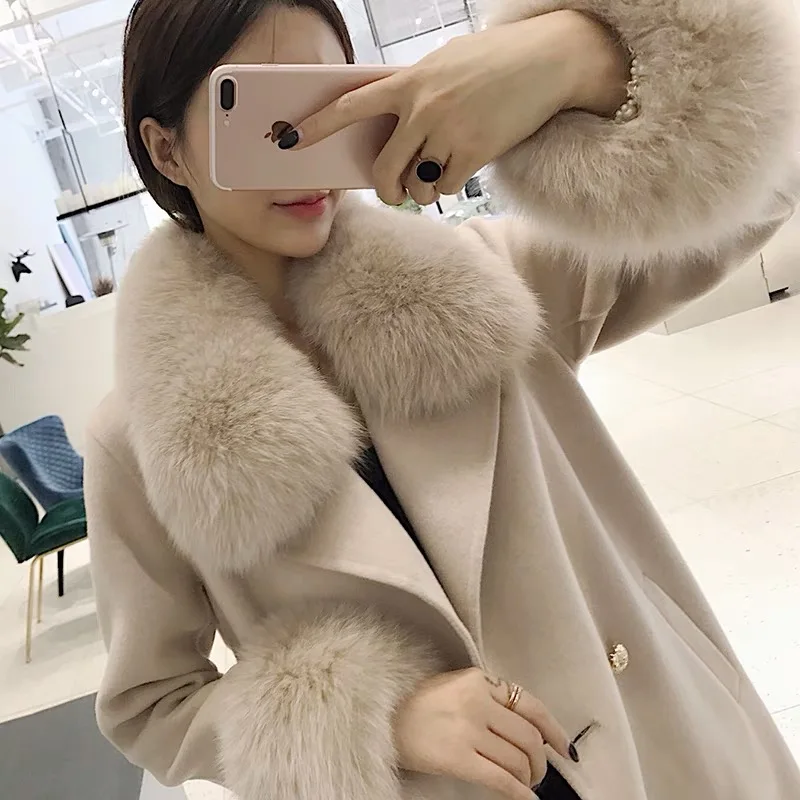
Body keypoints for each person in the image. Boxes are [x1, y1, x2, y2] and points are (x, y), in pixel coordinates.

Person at [85, 0, 800, 799]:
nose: (307, 147)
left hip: (667, 752)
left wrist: (579, 55)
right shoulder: (139, 443)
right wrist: (372, 719)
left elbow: (769, 188)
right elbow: (151, 705)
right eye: (260, 113)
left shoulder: (486, 281)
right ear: (167, 149)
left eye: (332, 100)